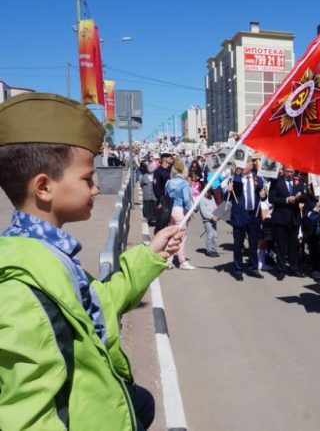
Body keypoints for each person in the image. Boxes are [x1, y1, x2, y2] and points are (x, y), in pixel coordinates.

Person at [0, 92, 184, 430]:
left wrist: (150, 254)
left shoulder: (46, 256)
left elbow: (97, 306)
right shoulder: (21, 290)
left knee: (141, 402)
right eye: (87, 179)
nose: (97, 189)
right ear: (44, 187)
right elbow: (28, 418)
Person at [230, 156, 266, 281]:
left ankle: (253, 268)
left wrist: (263, 195)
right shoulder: (235, 179)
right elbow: (227, 198)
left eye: (245, 164)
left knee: (253, 243)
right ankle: (238, 269)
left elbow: (263, 194)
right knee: (238, 244)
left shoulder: (258, 179)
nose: (243, 166)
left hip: (253, 216)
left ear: (251, 165)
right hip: (240, 215)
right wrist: (229, 191)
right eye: (241, 164)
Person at [268, 166, 306, 280]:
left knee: (293, 246)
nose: (289, 174)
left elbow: (304, 197)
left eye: (291, 172)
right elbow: (271, 198)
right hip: (281, 218)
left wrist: (299, 197)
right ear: (283, 172)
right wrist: (286, 200)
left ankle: (293, 268)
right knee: (281, 246)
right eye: (287, 172)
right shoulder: (276, 182)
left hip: (294, 218)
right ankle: (281, 270)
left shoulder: (298, 182)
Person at [165, 159, 195, 270]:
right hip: (180, 211)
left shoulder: (169, 182)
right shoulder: (184, 183)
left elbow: (165, 197)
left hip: (170, 210)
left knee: (172, 236)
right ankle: (182, 261)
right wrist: (191, 209)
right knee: (181, 238)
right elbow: (186, 200)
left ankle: (169, 260)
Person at [198, 188, 220, 257]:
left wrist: (217, 215)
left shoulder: (212, 197)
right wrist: (211, 217)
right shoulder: (201, 199)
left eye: (211, 192)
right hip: (207, 220)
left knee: (215, 234)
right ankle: (209, 250)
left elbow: (215, 207)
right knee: (210, 234)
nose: (210, 194)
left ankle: (214, 249)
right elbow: (203, 212)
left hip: (213, 219)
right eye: (209, 192)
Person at [140, 160, 157, 226]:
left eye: (150, 167)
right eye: (148, 168)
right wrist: (145, 189)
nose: (149, 169)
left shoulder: (156, 175)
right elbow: (141, 184)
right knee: (147, 207)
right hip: (147, 195)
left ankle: (154, 219)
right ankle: (149, 220)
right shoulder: (145, 176)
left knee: (154, 207)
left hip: (154, 195)